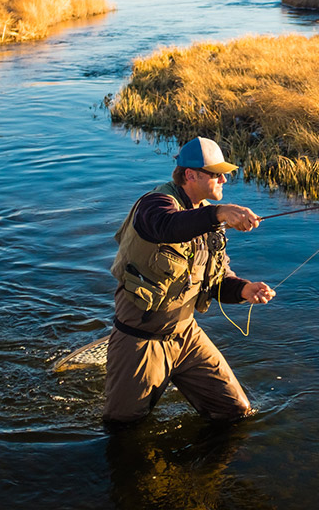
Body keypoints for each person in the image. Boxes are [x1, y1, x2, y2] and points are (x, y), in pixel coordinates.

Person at [103, 136, 274, 427]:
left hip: (187, 337)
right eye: (216, 173)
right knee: (124, 428)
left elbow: (216, 278)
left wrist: (244, 289)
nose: (223, 179)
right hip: (141, 341)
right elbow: (166, 226)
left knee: (236, 412)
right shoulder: (154, 205)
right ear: (190, 175)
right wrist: (218, 213)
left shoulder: (206, 216)